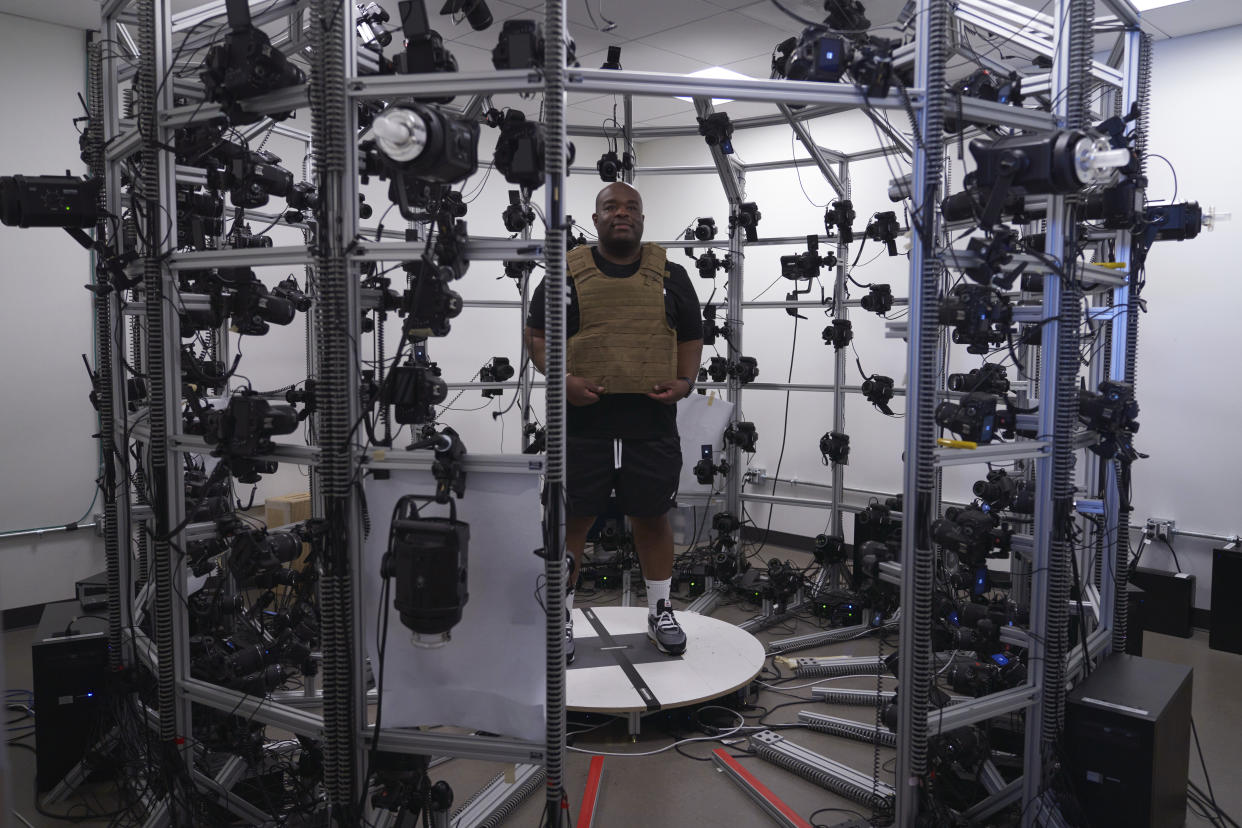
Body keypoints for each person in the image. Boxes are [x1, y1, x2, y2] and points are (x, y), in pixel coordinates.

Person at [525, 182, 703, 663]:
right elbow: (538, 336)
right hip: (583, 422)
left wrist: (686, 382)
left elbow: (689, 336)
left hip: (651, 418)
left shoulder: (672, 274)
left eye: (631, 207)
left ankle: (660, 609)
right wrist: (561, 379)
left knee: (652, 516)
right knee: (572, 519)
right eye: (611, 207)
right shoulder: (564, 273)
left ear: (642, 219)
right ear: (596, 217)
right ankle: (559, 614)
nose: (621, 214)